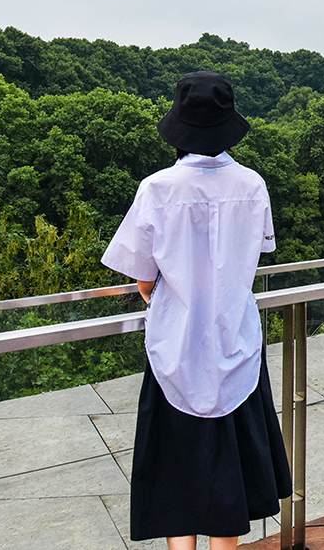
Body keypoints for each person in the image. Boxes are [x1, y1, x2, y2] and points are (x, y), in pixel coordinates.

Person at [103, 71, 292, 550]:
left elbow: (142, 274)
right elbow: (257, 253)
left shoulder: (157, 188)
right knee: (228, 463)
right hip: (236, 339)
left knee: (175, 465)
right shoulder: (252, 184)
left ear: (179, 127)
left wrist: (161, 295)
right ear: (228, 124)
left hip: (176, 343)